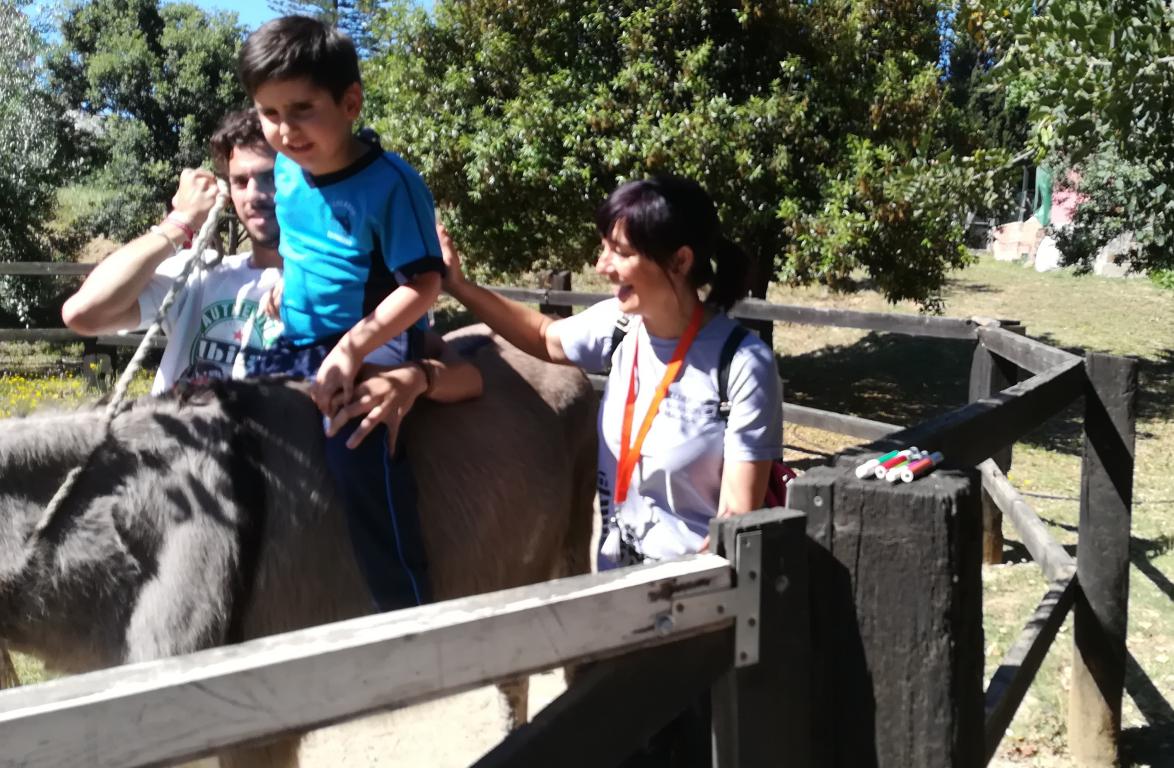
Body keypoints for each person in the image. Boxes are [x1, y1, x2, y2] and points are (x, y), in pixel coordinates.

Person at [443, 175, 783, 568]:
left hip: (695, 590)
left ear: (680, 261)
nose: (601, 266)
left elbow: (736, 519)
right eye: (604, 247)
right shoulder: (619, 326)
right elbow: (544, 336)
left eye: (620, 252)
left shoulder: (742, 365)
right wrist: (459, 286)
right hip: (616, 581)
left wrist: (668, 592)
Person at [236, 16, 449, 611]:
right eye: (269, 113)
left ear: (350, 103)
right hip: (299, 334)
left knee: (356, 452)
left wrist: (353, 349)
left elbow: (424, 285)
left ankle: (405, 605)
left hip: (373, 338)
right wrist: (286, 279)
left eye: (302, 109)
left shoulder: (392, 184)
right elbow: (302, 244)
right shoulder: (286, 169)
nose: (285, 130)